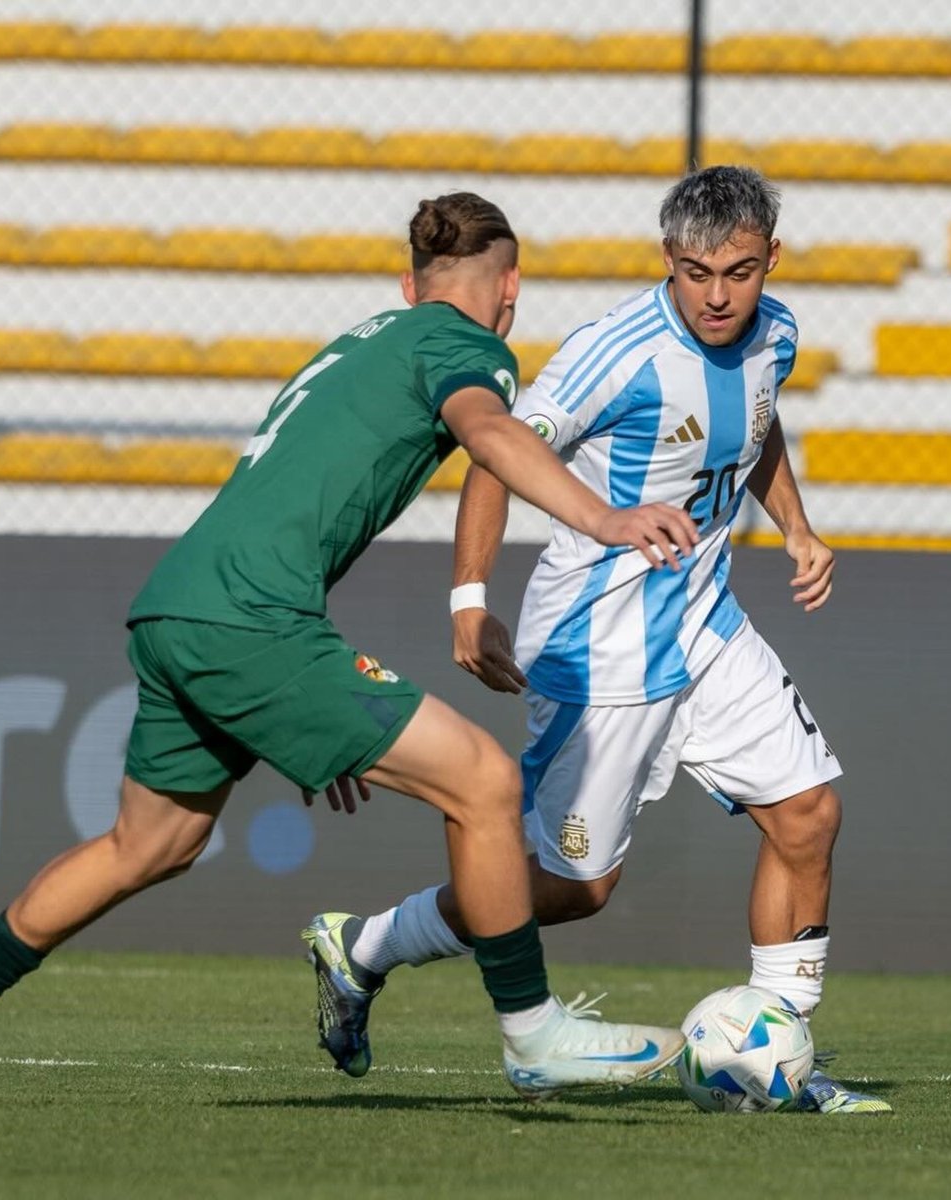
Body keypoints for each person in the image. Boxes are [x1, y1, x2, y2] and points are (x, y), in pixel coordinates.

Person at [0, 192, 698, 1107]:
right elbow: (492, 437)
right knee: (486, 782)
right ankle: (534, 1035)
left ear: (408, 282)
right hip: (251, 622)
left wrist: (309, 716)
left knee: (152, 844)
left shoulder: (361, 342)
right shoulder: (470, 350)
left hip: (181, 608)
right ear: (511, 287)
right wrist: (605, 517)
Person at [304, 167, 889, 1115]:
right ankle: (363, 946)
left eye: (738, 272)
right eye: (696, 272)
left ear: (770, 260)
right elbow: (497, 453)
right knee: (575, 891)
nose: (716, 294)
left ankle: (782, 1056)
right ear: (669, 259)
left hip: (704, 623)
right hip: (599, 642)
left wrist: (798, 529)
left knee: (809, 815)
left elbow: (758, 430)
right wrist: (467, 598)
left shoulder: (775, 332)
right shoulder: (611, 353)